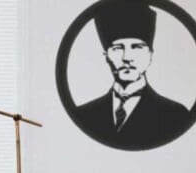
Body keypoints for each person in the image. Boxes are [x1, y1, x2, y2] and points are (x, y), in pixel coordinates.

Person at [76, 0, 190, 150]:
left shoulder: (175, 116)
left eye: (137, 47)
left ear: (150, 55)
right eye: (117, 48)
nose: (127, 57)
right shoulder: (85, 115)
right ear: (106, 56)